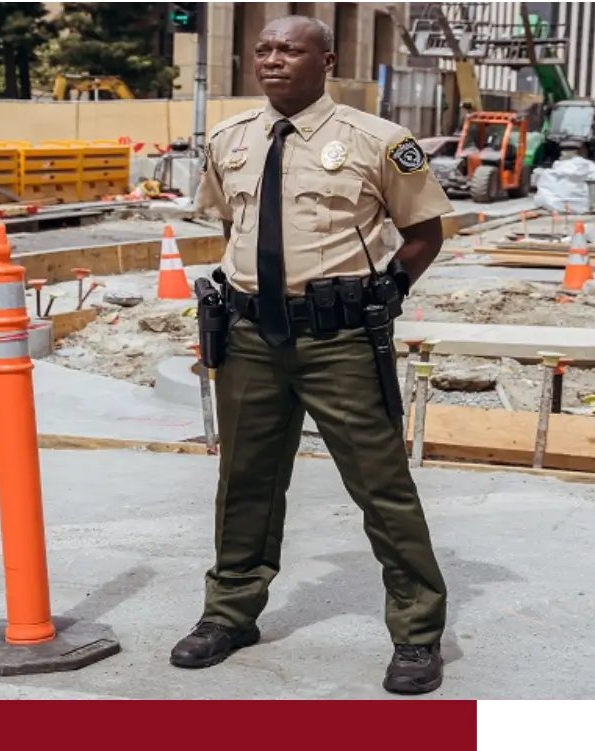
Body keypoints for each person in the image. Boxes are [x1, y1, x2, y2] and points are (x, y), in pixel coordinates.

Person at [170, 15, 453, 696]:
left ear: (324, 60)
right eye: (263, 49)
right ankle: (230, 613)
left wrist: (384, 293)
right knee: (245, 483)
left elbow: (424, 232)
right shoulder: (230, 139)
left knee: (381, 485)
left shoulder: (379, 142)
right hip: (247, 336)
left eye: (289, 50)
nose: (272, 60)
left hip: (340, 341)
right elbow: (235, 223)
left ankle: (417, 632)